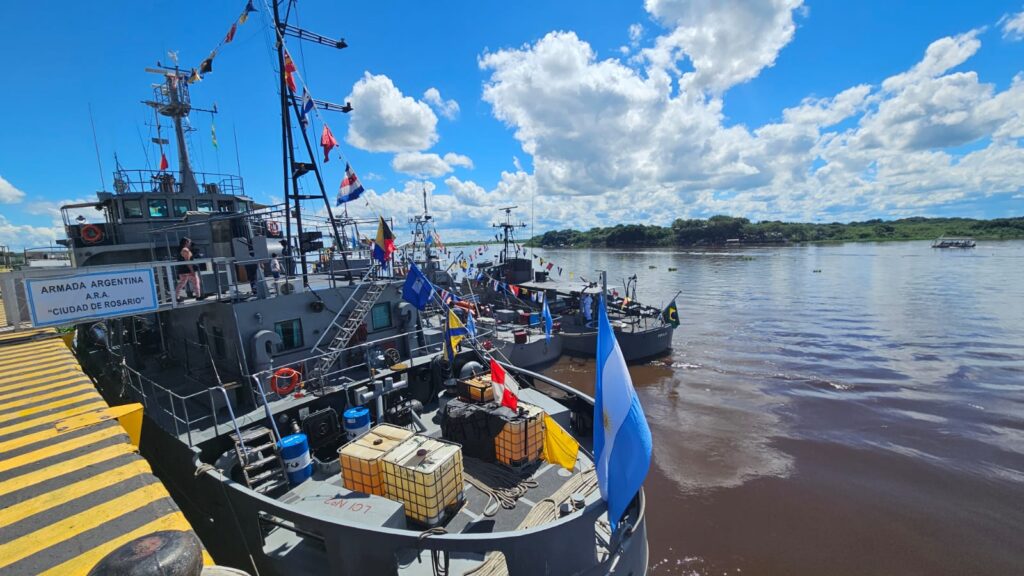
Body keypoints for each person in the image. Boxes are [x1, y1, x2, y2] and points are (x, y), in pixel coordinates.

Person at [175, 237, 204, 302]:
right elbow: (188, 261)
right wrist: (192, 271)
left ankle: (177, 297)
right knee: (196, 282)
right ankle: (198, 296)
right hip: (188, 270)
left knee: (181, 283)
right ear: (186, 242)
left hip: (182, 270)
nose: (190, 243)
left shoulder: (180, 249)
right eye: (189, 242)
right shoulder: (185, 250)